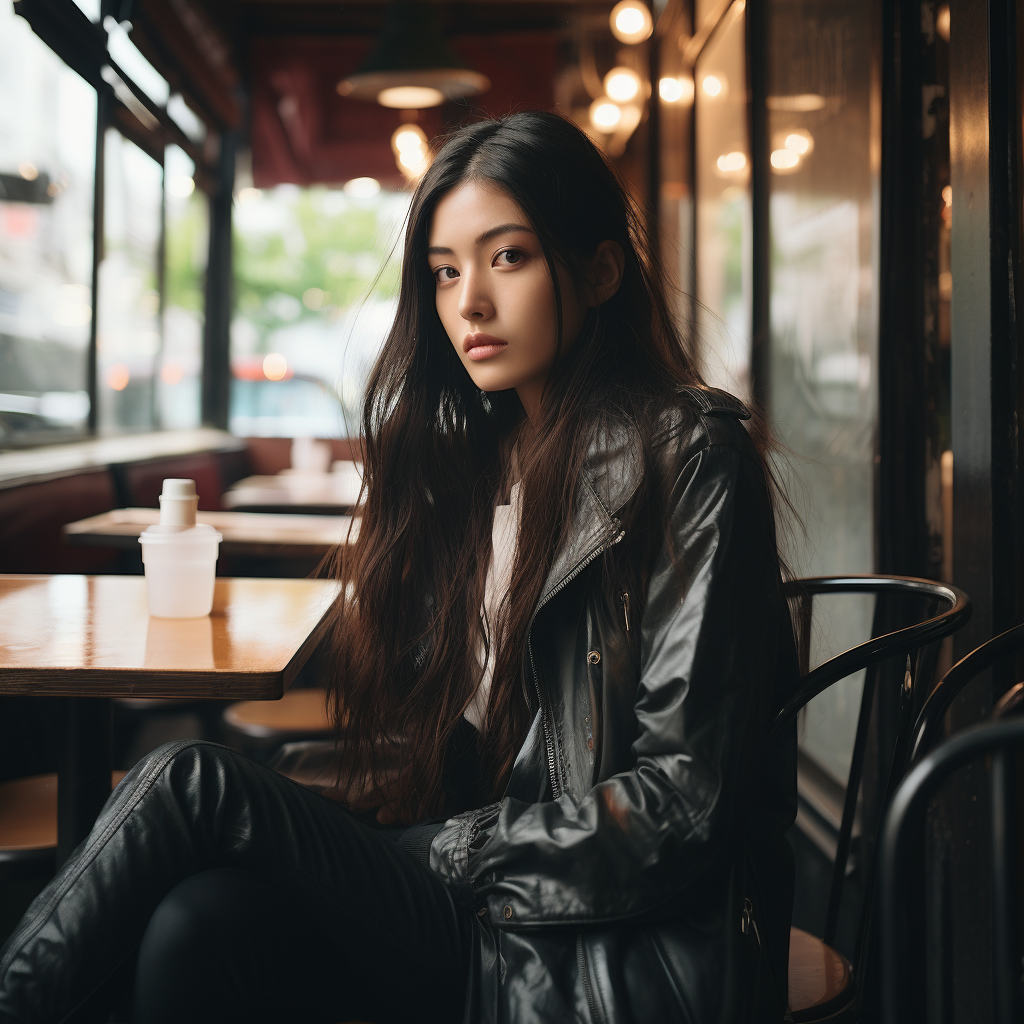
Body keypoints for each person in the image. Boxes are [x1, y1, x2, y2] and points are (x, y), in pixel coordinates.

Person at [0, 109, 797, 1024]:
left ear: (601, 271)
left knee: (192, 781)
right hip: (505, 908)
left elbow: (682, 805)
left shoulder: (689, 458)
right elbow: (487, 741)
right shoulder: (487, 468)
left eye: (509, 258)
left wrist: (446, 850)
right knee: (197, 918)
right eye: (446, 272)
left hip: (609, 952)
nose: (470, 305)